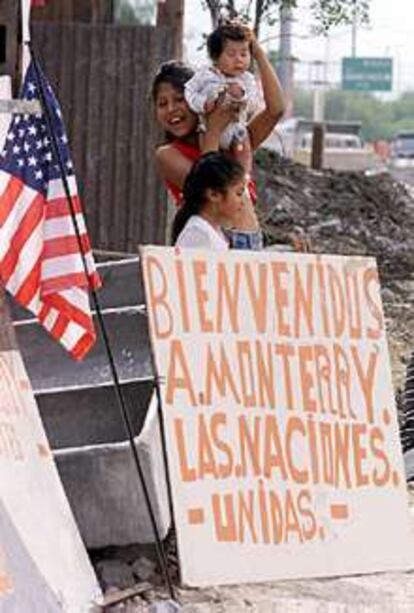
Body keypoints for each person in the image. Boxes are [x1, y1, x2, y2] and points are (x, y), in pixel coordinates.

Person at [152, 25, 285, 249]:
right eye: (162, 104)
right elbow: (212, 179)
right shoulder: (168, 155)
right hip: (216, 245)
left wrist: (257, 53)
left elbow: (276, 110)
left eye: (179, 99)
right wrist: (212, 128)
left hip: (251, 243)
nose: (172, 110)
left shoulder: (236, 139)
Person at [184, 21, 258, 172]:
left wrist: (242, 98)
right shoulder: (205, 75)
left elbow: (253, 102)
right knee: (209, 154)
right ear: (215, 57)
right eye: (231, 54)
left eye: (244, 54)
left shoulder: (247, 79)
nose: (239, 59)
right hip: (208, 128)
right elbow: (189, 90)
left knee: (244, 146)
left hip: (236, 129)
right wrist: (203, 103)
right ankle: (212, 174)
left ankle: (244, 177)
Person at [172, 151, 245, 250]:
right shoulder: (198, 234)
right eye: (238, 194)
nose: (242, 202)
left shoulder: (215, 232)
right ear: (213, 195)